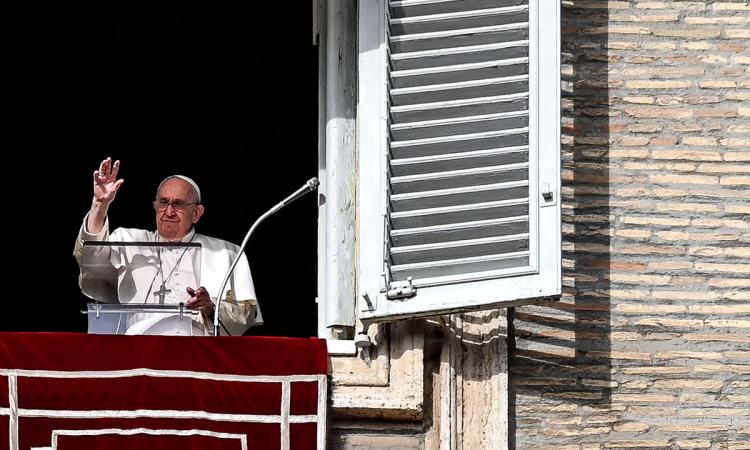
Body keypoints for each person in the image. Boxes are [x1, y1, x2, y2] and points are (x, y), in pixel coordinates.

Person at [73, 157, 261, 336]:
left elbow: (245, 314)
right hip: (138, 347)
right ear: (155, 206)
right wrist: (99, 205)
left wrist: (210, 307)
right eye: (163, 202)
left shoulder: (225, 252)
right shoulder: (128, 240)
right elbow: (89, 261)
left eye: (178, 204)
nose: (169, 211)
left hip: (196, 349)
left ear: (196, 213)